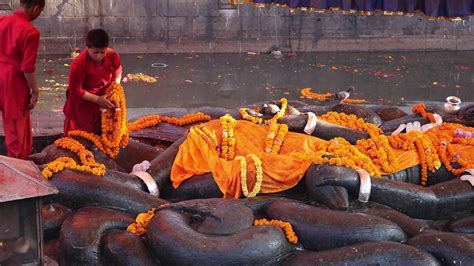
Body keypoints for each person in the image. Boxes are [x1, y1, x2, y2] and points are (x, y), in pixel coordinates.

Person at [0, 0, 45, 159]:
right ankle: (19, 167)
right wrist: (35, 90)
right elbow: (27, 67)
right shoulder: (31, 32)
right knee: (16, 131)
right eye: (40, 12)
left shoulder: (2, 20)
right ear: (36, 8)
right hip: (13, 82)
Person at [63, 29, 122, 136]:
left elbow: (117, 71)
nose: (99, 56)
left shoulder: (112, 55)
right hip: (83, 106)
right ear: (87, 47)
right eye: (95, 52)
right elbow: (75, 90)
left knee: (106, 135)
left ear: (107, 47)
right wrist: (98, 99)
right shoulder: (79, 64)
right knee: (79, 139)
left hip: (105, 101)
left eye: (102, 52)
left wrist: (115, 88)